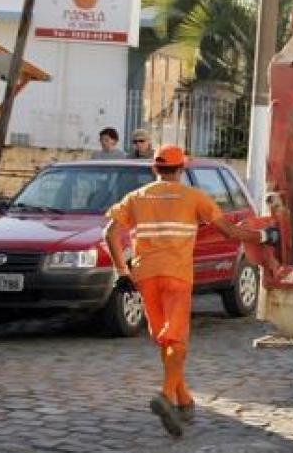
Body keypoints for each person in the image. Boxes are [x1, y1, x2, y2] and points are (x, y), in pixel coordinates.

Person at [103, 144, 278, 438]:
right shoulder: (194, 197)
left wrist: (121, 272)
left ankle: (184, 401)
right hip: (176, 274)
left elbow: (108, 233)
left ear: (154, 169)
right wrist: (264, 235)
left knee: (165, 339)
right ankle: (167, 394)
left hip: (145, 274)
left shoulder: (136, 197)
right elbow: (230, 232)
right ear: (182, 169)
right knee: (177, 338)